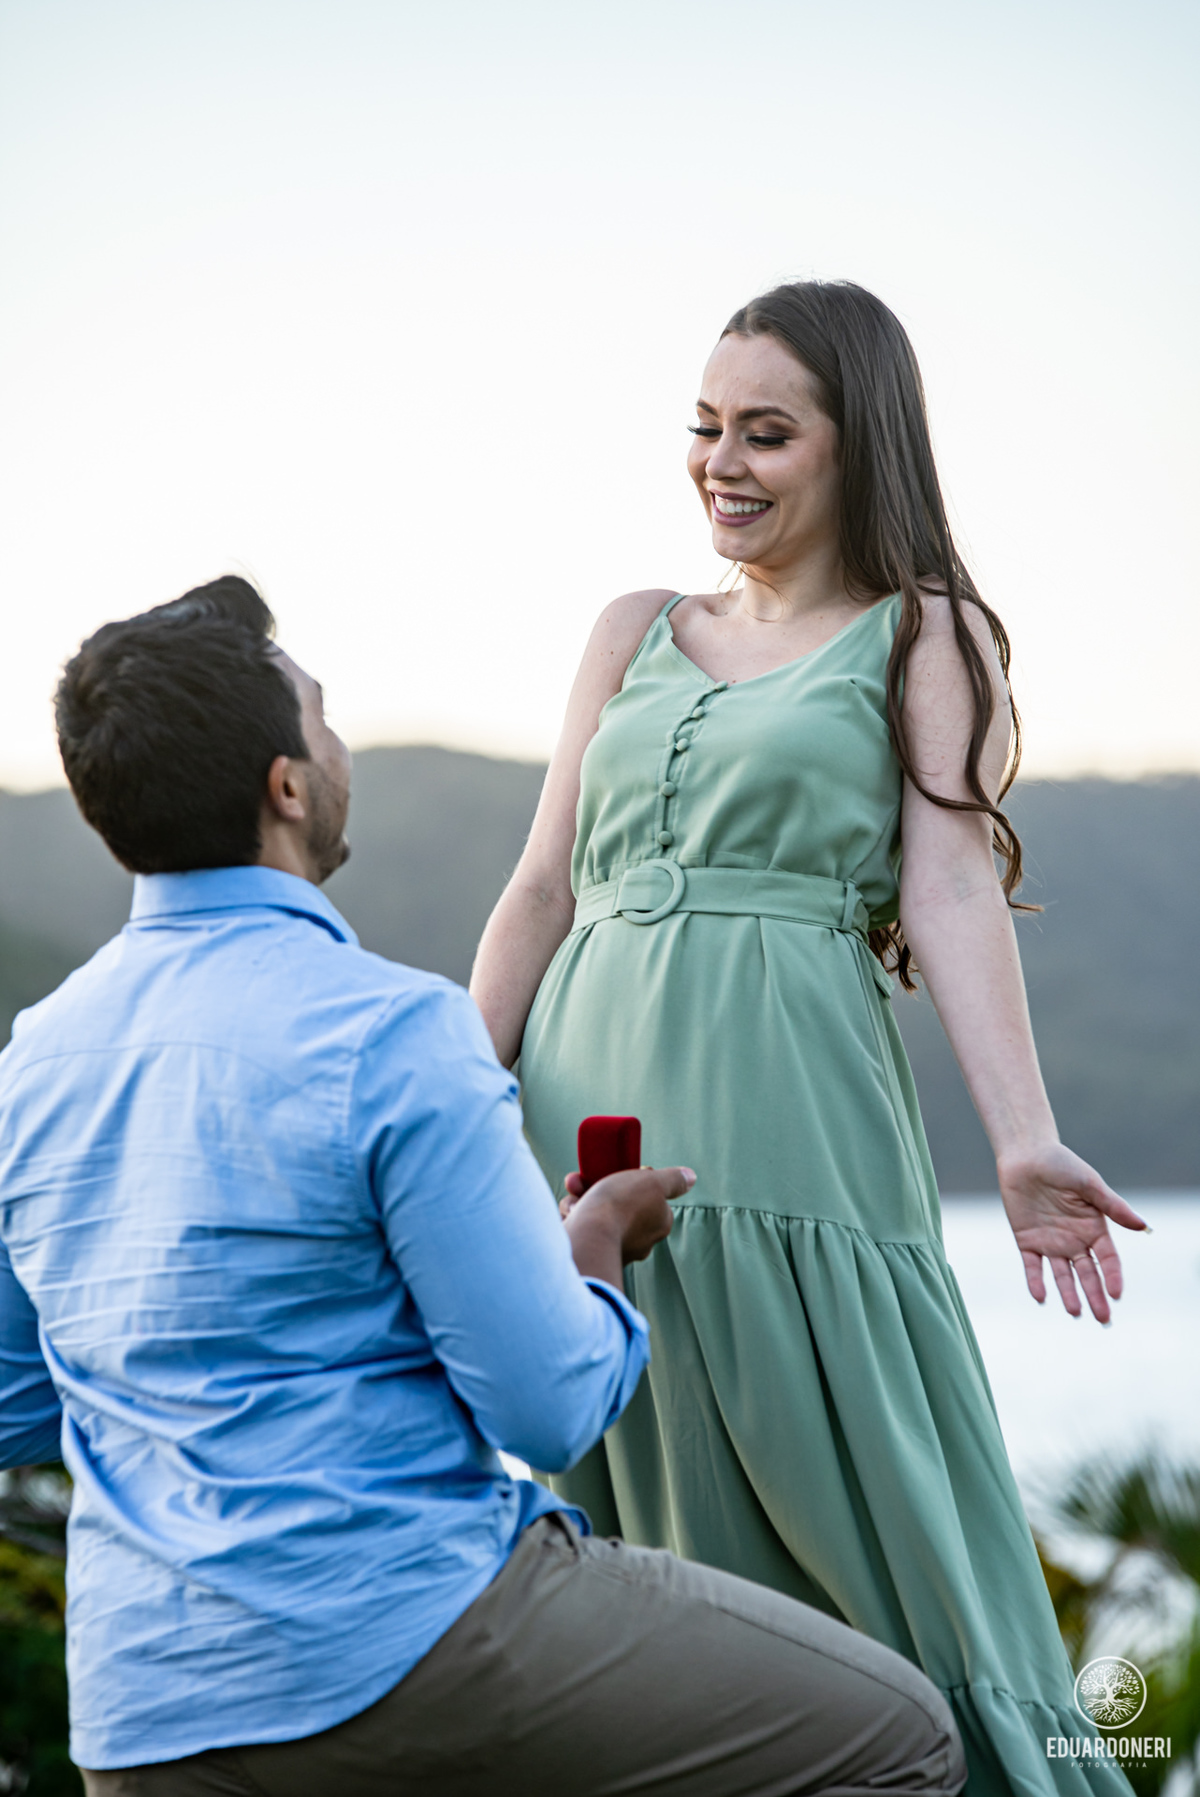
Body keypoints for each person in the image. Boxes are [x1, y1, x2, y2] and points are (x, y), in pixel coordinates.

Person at [0, 576, 966, 1796]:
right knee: (903, 1740)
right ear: (287, 788)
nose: (336, 740)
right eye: (321, 715)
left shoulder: (36, 1059)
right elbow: (551, 1407)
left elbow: (13, 1400)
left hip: (144, 1711)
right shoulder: (393, 1032)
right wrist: (599, 1246)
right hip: (406, 1643)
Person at [470, 282, 1145, 1797]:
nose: (723, 462)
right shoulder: (632, 627)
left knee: (862, 1489)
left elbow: (953, 880)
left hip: (793, 1113)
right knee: (624, 1468)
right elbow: (538, 885)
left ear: (858, 448)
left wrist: (1023, 1137)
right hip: (583, 1112)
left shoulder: (928, 634)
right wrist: (446, 1100)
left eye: (766, 432)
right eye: (706, 428)